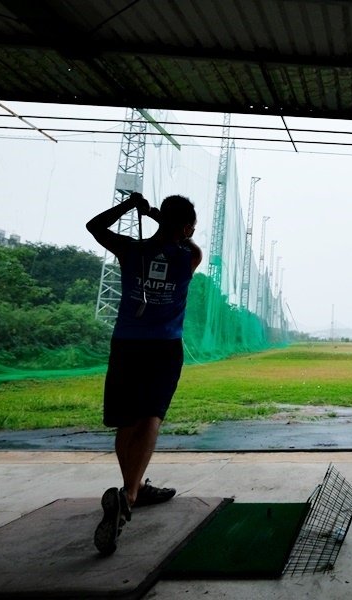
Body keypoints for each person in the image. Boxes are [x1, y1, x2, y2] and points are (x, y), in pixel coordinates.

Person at [86, 192, 202, 555]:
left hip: (127, 343)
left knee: (127, 420)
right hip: (165, 348)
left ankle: (131, 486)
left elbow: (94, 226)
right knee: (151, 415)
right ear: (185, 228)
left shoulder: (131, 251)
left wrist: (129, 207)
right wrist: (154, 215)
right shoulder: (189, 257)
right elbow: (186, 239)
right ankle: (132, 493)